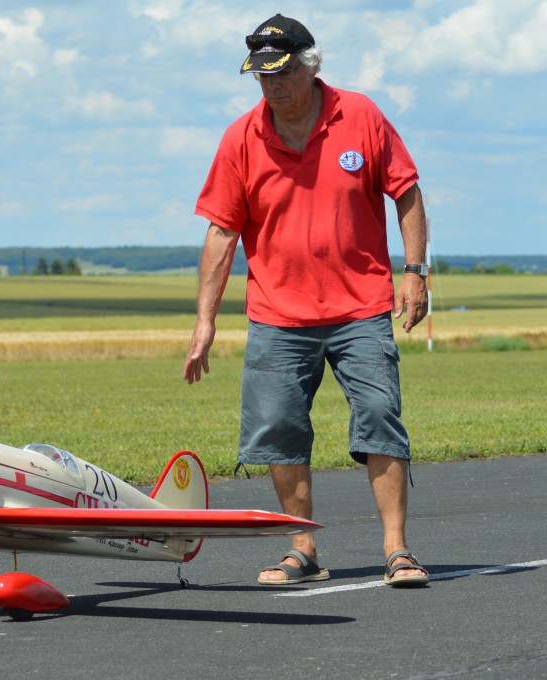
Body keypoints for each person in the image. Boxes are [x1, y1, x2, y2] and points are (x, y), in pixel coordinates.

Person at [182, 14, 430, 588]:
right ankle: (302, 549)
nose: (272, 85)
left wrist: (413, 273)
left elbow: (408, 193)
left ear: (308, 67)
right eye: (262, 76)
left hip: (361, 306)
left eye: (282, 73)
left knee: (377, 416)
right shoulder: (241, 137)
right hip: (278, 314)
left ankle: (397, 549)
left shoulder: (360, 115)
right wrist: (204, 323)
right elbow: (221, 234)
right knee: (278, 427)